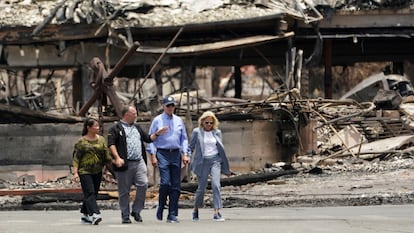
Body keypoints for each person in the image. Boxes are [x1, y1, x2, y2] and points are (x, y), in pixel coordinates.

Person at [107, 105, 166, 224]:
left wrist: (157, 134)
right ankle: (125, 215)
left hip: (139, 161)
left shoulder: (137, 128)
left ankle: (136, 210)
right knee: (124, 191)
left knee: (143, 184)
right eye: (134, 114)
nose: (136, 116)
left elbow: (148, 139)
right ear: (127, 115)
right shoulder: (115, 129)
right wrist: (117, 158)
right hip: (125, 163)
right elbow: (111, 144)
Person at [147, 96, 190, 223]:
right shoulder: (157, 120)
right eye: (168, 106)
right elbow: (151, 139)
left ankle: (172, 213)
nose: (170, 108)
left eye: (172, 105)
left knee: (176, 185)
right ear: (164, 107)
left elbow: (184, 138)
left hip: (176, 153)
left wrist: (185, 153)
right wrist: (153, 155)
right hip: (163, 153)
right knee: (165, 182)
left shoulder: (178, 120)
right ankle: (161, 205)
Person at [188, 111, 231, 222]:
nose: (208, 125)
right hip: (202, 162)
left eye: (211, 123)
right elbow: (191, 147)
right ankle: (196, 209)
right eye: (206, 122)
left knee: (216, 185)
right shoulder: (197, 132)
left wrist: (225, 166)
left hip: (215, 160)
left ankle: (217, 212)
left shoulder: (217, 132)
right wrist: (187, 156)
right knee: (201, 188)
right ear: (202, 122)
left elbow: (221, 149)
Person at [72, 117, 112, 225]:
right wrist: (75, 173)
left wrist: (115, 161)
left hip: (97, 171)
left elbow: (106, 155)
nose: (98, 128)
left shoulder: (101, 139)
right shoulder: (81, 142)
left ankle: (85, 215)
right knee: (90, 192)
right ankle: (95, 214)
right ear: (88, 128)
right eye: (95, 126)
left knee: (93, 193)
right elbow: (76, 158)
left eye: (98, 126)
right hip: (85, 171)